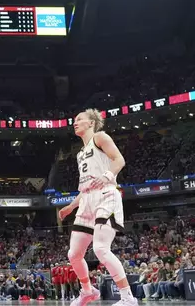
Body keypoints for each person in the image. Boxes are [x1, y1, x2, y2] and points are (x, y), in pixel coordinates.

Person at [59, 109, 137, 306]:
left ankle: (128, 297)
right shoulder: (80, 154)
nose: (74, 122)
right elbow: (86, 187)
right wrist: (71, 206)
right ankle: (87, 291)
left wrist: (108, 175)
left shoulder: (100, 137)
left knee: (101, 248)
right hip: (87, 202)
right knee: (74, 254)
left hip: (106, 195)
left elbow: (119, 159)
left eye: (78, 119)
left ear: (91, 123)